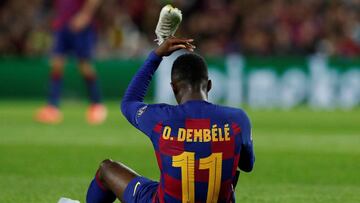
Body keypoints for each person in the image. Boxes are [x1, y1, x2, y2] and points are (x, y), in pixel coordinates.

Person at [86, 37, 255, 203]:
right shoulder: (238, 119)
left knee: (106, 169)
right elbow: (247, 165)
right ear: (209, 85)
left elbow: (129, 102)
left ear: (173, 87)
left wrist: (156, 56)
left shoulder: (160, 118)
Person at [36, 0, 107, 124]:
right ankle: (53, 107)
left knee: (85, 66)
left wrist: (85, 15)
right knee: (56, 64)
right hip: (62, 24)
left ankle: (97, 105)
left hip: (80, 25)